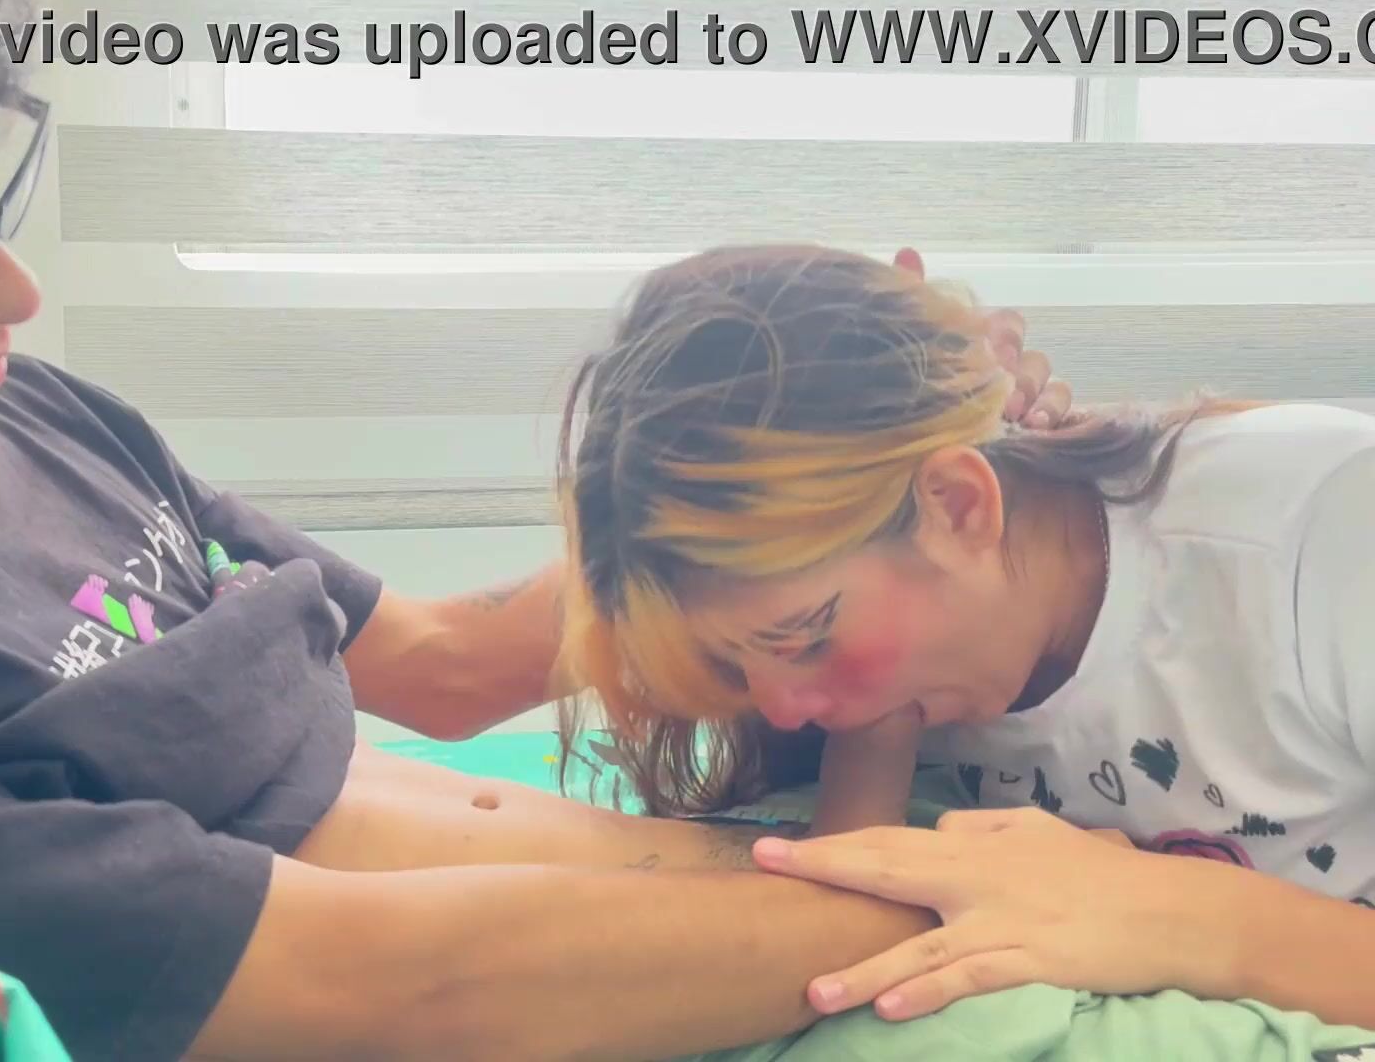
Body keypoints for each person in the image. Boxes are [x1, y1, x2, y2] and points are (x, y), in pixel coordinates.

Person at [0, 0, 1078, 1061]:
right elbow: (387, 991)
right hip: (642, 999)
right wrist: (1005, 905)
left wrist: (807, 481)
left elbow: (438, 665)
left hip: (768, 922)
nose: (6, 293)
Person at [550, 242, 1375, 1035]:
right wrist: (870, 745)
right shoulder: (910, 671)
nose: (783, 710)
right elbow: (841, 913)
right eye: (738, 666)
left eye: (807, 636)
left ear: (958, 504)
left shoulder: (1324, 527)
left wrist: (1174, 916)